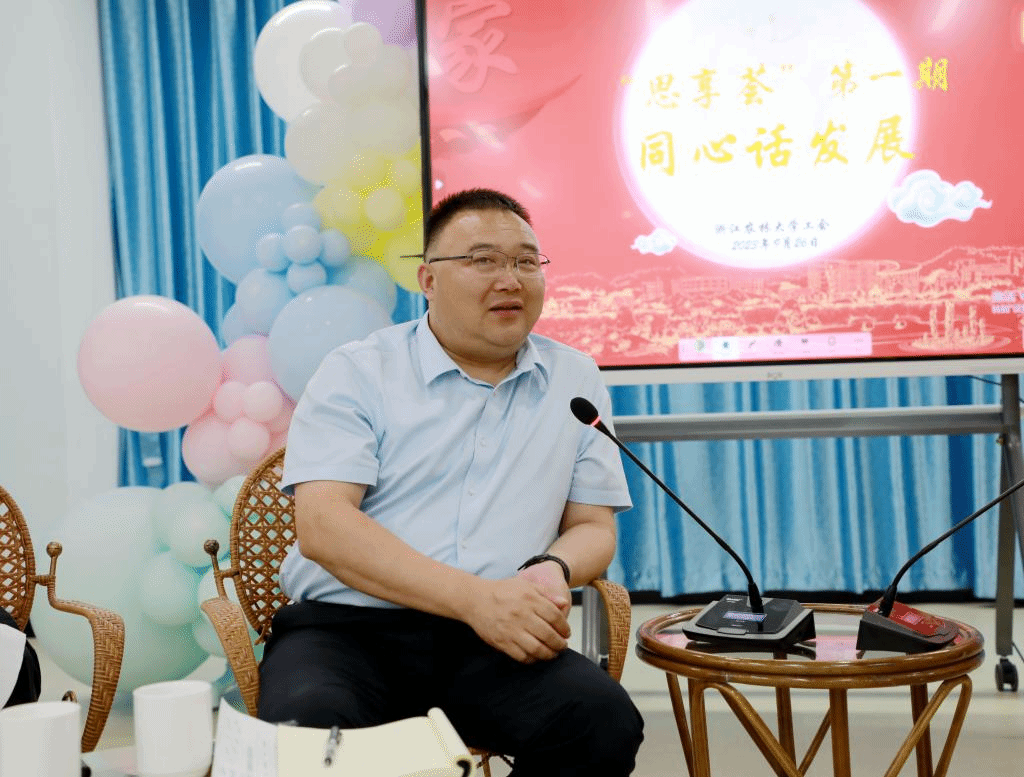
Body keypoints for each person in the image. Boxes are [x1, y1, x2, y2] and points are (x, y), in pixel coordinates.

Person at [259, 188, 644, 775]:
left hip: (491, 641)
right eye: (483, 260)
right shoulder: (359, 370)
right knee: (310, 739)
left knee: (602, 720)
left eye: (526, 261)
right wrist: (477, 600)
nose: (510, 279)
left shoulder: (575, 378)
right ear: (429, 280)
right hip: (346, 633)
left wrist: (552, 569)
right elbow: (323, 526)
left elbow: (594, 526)